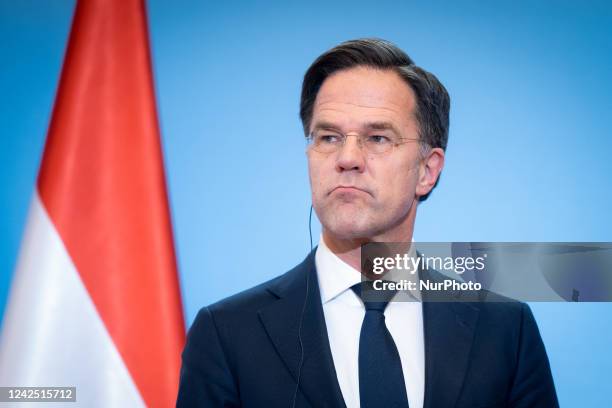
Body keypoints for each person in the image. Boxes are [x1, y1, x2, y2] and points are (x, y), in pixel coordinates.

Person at [177, 38, 559, 408]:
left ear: (427, 170)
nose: (347, 158)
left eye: (377, 138)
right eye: (328, 137)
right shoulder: (226, 333)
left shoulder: (506, 330)